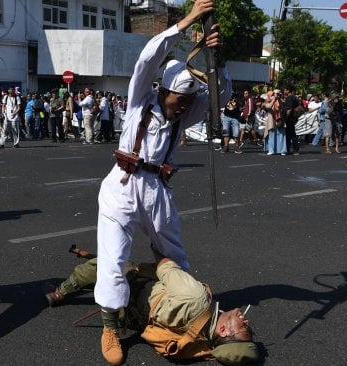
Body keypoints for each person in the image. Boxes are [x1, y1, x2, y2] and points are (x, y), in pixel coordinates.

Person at [93, 1, 231, 364]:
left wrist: (218, 58)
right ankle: (110, 325)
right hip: (122, 185)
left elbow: (221, 97)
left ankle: (182, 307)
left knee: (174, 254)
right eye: (178, 98)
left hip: (158, 191)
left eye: (188, 100)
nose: (184, 106)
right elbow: (147, 59)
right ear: (162, 91)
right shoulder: (140, 99)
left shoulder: (184, 112)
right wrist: (186, 22)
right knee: (112, 257)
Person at [46, 255, 259, 365]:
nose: (246, 322)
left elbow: (164, 263)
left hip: (134, 290)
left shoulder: (196, 298)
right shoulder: (203, 344)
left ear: (223, 332)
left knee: (104, 264)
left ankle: (62, 292)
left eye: (244, 329)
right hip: (135, 319)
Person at [263, 90, 286, 155]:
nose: (277, 95)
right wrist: (273, 100)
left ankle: (282, 150)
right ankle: (271, 150)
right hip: (271, 120)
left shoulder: (281, 101)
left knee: (281, 135)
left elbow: (281, 107)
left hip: (280, 120)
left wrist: (278, 99)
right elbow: (269, 107)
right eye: (274, 94)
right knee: (271, 136)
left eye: (278, 94)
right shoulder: (266, 102)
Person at [282, 84, 301, 155]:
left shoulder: (290, 98)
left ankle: (295, 150)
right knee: (289, 134)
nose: (284, 91)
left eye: (285, 89)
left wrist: (285, 118)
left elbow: (289, 109)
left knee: (291, 134)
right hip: (293, 118)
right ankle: (288, 148)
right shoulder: (294, 97)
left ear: (288, 90)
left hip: (290, 118)